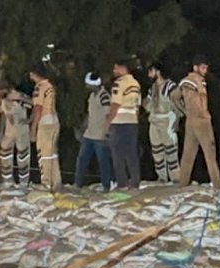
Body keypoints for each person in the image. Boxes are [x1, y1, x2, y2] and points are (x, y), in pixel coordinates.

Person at [175, 55, 220, 191]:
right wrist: (204, 114)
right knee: (210, 153)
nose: (205, 70)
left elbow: (175, 97)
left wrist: (184, 111)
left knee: (188, 154)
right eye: (203, 67)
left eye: (206, 67)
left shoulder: (184, 81)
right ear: (195, 67)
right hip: (201, 121)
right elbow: (202, 98)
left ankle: (183, 183)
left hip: (190, 120)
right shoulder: (199, 81)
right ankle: (218, 185)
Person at [106, 59, 141, 190]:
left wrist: (108, 122)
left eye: (115, 68)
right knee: (132, 153)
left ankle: (122, 183)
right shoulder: (136, 84)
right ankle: (135, 181)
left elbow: (115, 104)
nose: (114, 71)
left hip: (119, 122)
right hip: (132, 121)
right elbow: (138, 105)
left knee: (118, 155)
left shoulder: (119, 83)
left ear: (122, 68)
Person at [143, 61, 180, 183]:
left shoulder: (170, 86)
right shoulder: (152, 88)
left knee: (171, 152)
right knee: (157, 152)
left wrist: (177, 121)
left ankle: (175, 178)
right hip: (154, 121)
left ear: (157, 71)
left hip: (167, 121)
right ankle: (162, 177)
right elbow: (147, 105)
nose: (149, 74)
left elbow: (178, 104)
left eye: (150, 71)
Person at [75, 72, 112, 191]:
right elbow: (90, 115)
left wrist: (107, 132)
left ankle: (106, 185)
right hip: (89, 134)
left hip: (100, 135)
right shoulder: (92, 96)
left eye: (87, 84)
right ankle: (78, 184)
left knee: (103, 162)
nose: (86, 86)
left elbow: (109, 115)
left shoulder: (104, 96)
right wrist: (82, 127)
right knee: (82, 159)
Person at [30, 65, 62, 191]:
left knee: (44, 153)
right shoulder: (50, 85)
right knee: (53, 153)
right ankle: (56, 181)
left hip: (45, 121)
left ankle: (46, 183)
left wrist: (33, 127)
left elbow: (38, 108)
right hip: (54, 120)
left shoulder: (39, 87)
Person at [0, 84, 33, 186]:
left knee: (23, 157)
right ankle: (7, 181)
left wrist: (29, 120)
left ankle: (23, 182)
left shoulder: (19, 97)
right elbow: (4, 117)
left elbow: (35, 105)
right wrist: (1, 132)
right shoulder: (4, 100)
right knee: (5, 156)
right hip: (8, 132)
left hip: (21, 131)